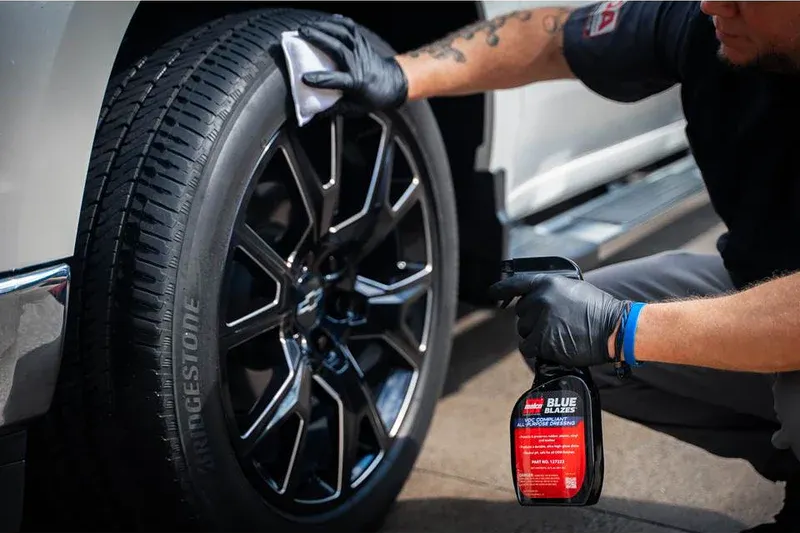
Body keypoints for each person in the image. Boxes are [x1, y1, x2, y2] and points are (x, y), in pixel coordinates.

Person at [296, 2, 800, 531]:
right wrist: (404, 73)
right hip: (762, 284)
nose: (713, 3)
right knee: (581, 346)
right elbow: (553, 36)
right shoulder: (704, 23)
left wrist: (621, 327)